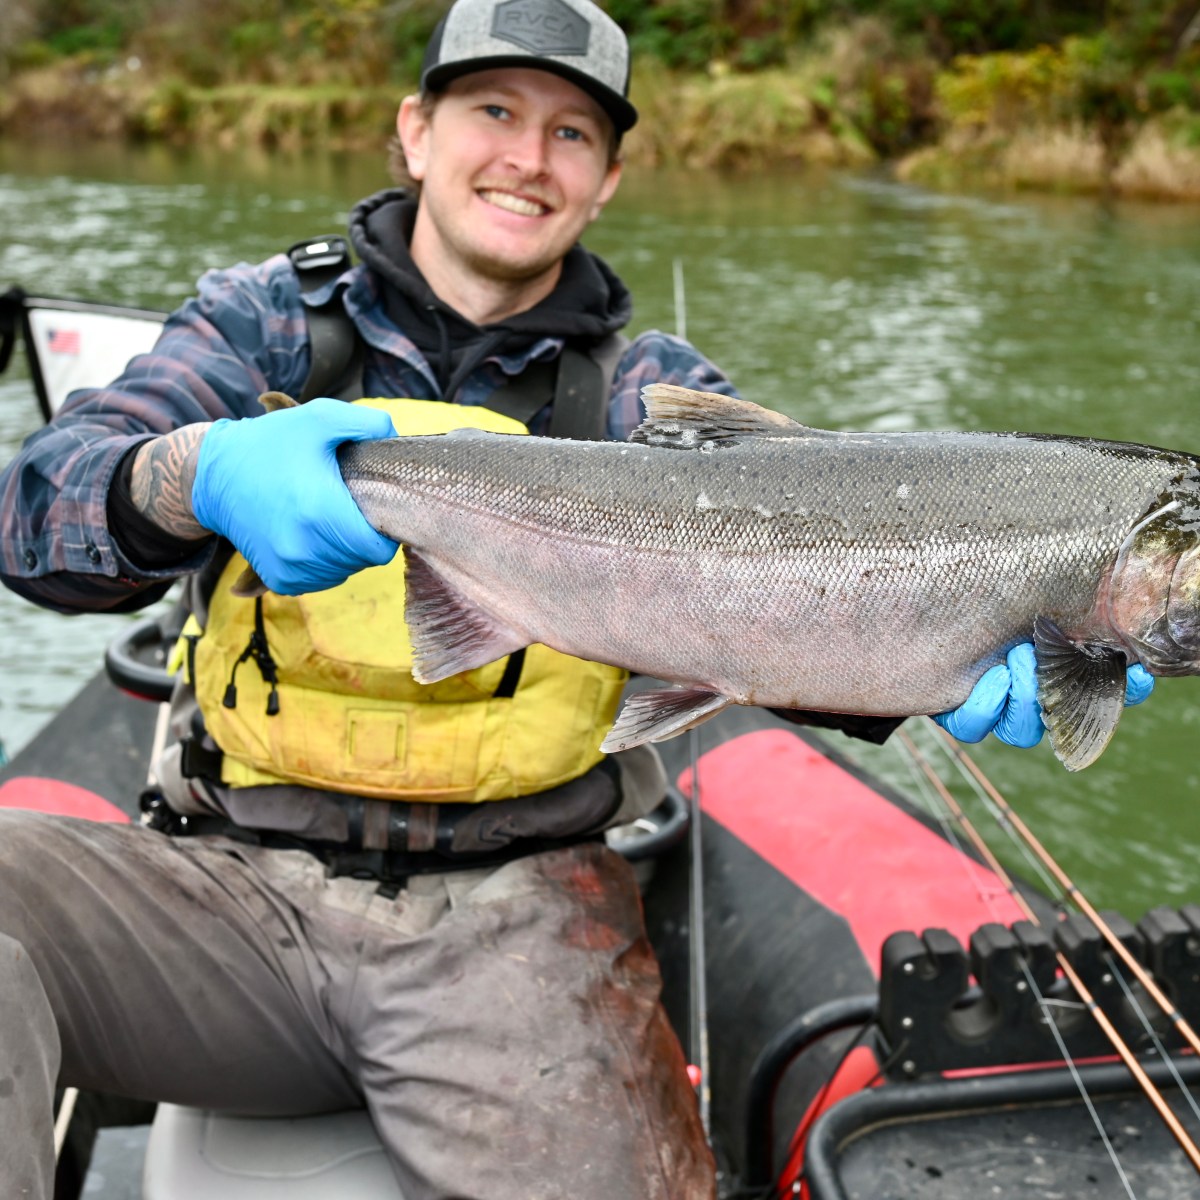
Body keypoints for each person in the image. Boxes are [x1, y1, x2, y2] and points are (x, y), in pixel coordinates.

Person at [0, 1, 1155, 1197]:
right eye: (494, 111)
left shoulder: (652, 395)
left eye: (570, 134)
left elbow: (802, 578)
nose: (527, 157)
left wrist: (933, 655)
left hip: (521, 923)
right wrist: (188, 474)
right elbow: (34, 516)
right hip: (228, 894)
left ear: (605, 180)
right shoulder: (260, 329)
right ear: (415, 129)